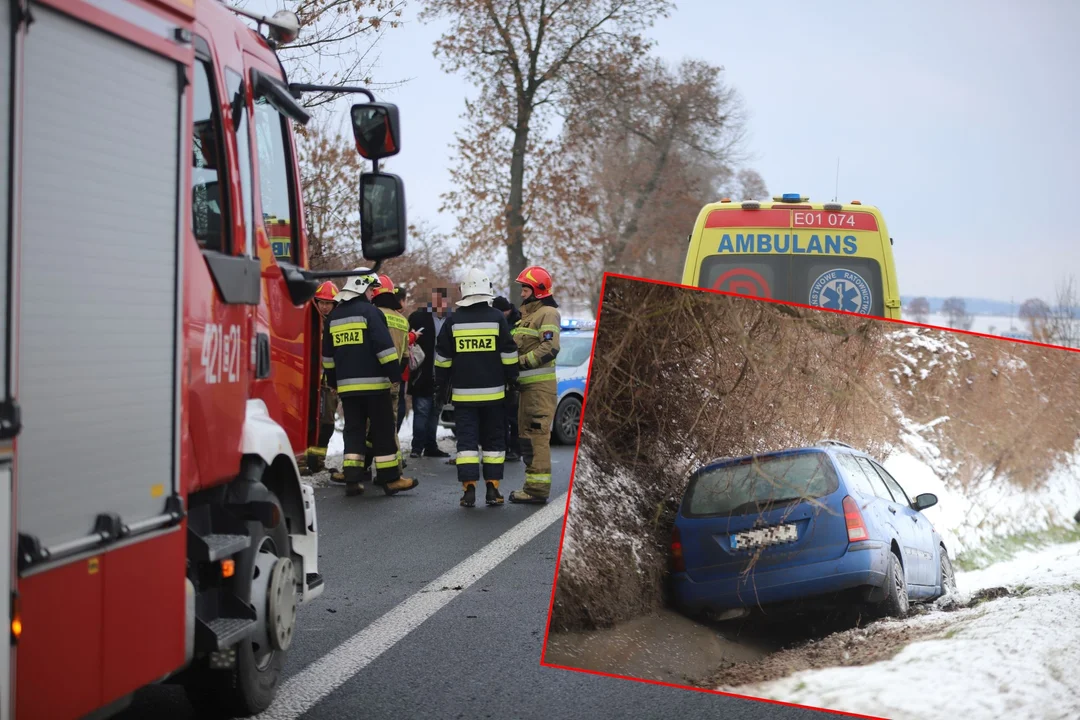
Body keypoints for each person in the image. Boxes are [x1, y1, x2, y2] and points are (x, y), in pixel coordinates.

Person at [322, 269, 419, 497]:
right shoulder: (371, 313)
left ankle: (353, 480)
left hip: (347, 388)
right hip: (375, 387)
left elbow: (328, 357)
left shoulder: (334, 317)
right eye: (370, 289)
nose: (372, 293)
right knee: (383, 430)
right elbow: (384, 349)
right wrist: (394, 374)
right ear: (362, 287)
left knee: (354, 430)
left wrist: (335, 381)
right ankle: (390, 479)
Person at [433, 269, 518, 507]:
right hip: (494, 396)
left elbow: (443, 359)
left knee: (467, 443)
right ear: (486, 291)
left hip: (463, 397)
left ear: (465, 291)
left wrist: (440, 386)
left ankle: (468, 490)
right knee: (493, 442)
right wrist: (513, 381)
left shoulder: (453, 321)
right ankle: (493, 490)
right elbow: (509, 354)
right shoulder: (498, 319)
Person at [507, 266, 561, 504]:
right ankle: (532, 486)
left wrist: (518, 363)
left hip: (539, 390)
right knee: (527, 436)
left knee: (536, 437)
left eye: (525, 288)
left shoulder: (547, 313)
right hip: (527, 390)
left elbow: (550, 348)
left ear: (538, 290)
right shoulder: (526, 317)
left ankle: (537, 490)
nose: (522, 293)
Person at [363, 274, 410, 480]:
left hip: (370, 381)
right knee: (389, 426)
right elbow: (406, 357)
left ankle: (361, 468)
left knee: (365, 426)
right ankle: (394, 468)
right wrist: (396, 376)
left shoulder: (371, 315)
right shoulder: (402, 321)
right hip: (393, 382)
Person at [299, 281, 346, 484]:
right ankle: (302, 461)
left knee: (326, 423)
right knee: (306, 422)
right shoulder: (307, 321)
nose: (325, 306)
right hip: (307, 383)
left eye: (329, 303)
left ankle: (317, 460)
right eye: (321, 302)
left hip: (329, 384)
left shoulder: (338, 323)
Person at [407, 287, 452, 458]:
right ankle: (417, 447)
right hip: (422, 373)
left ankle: (430, 446)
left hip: (442, 374)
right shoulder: (419, 318)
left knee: (435, 412)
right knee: (422, 410)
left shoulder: (451, 320)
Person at [492, 296, 523, 462]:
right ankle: (503, 448)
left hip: (513, 375)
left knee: (512, 416)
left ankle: (516, 449)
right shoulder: (500, 321)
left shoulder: (518, 323)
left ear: (506, 311)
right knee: (501, 416)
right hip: (499, 374)